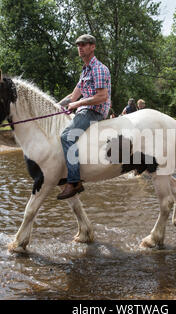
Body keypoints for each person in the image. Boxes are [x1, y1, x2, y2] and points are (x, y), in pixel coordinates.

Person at [57, 34, 111, 200]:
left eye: (84, 44)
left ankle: (74, 182)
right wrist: (56, 105)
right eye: (78, 45)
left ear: (92, 46)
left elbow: (102, 96)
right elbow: (72, 97)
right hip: (84, 110)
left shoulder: (99, 69)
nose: (80, 47)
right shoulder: (85, 71)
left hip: (95, 111)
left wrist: (77, 105)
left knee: (67, 137)